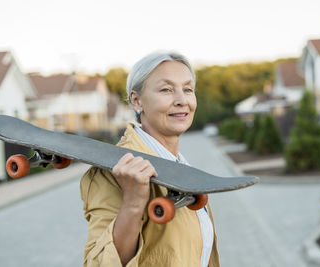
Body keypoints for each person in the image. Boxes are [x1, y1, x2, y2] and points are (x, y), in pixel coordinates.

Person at [80, 52, 220, 267]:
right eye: (166, 90)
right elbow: (97, 264)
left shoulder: (181, 166)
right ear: (137, 101)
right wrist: (133, 203)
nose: (182, 100)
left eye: (188, 89)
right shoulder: (112, 172)